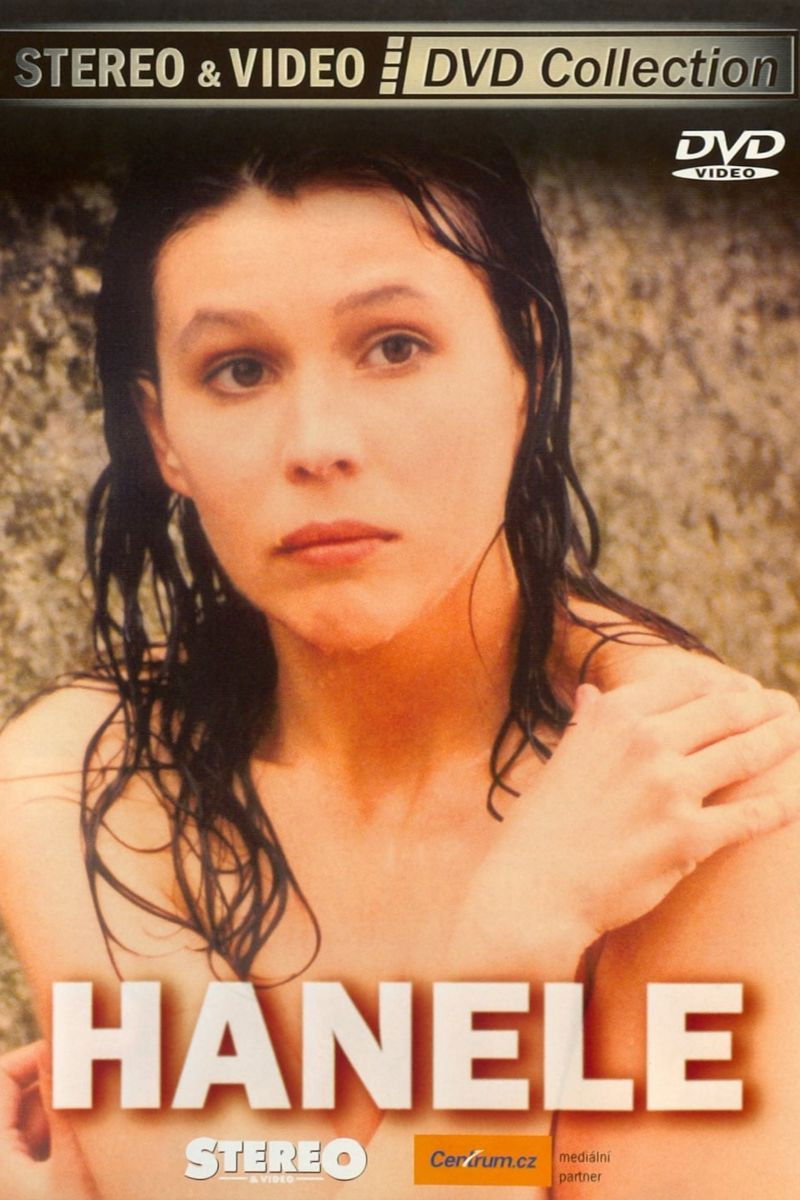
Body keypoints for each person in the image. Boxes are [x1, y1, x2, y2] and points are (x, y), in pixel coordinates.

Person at [0, 121, 798, 1199]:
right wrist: (519, 941)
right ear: (162, 436)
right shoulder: (78, 775)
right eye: (239, 369)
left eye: (393, 347)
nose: (316, 443)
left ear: (526, 365)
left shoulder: (699, 787)